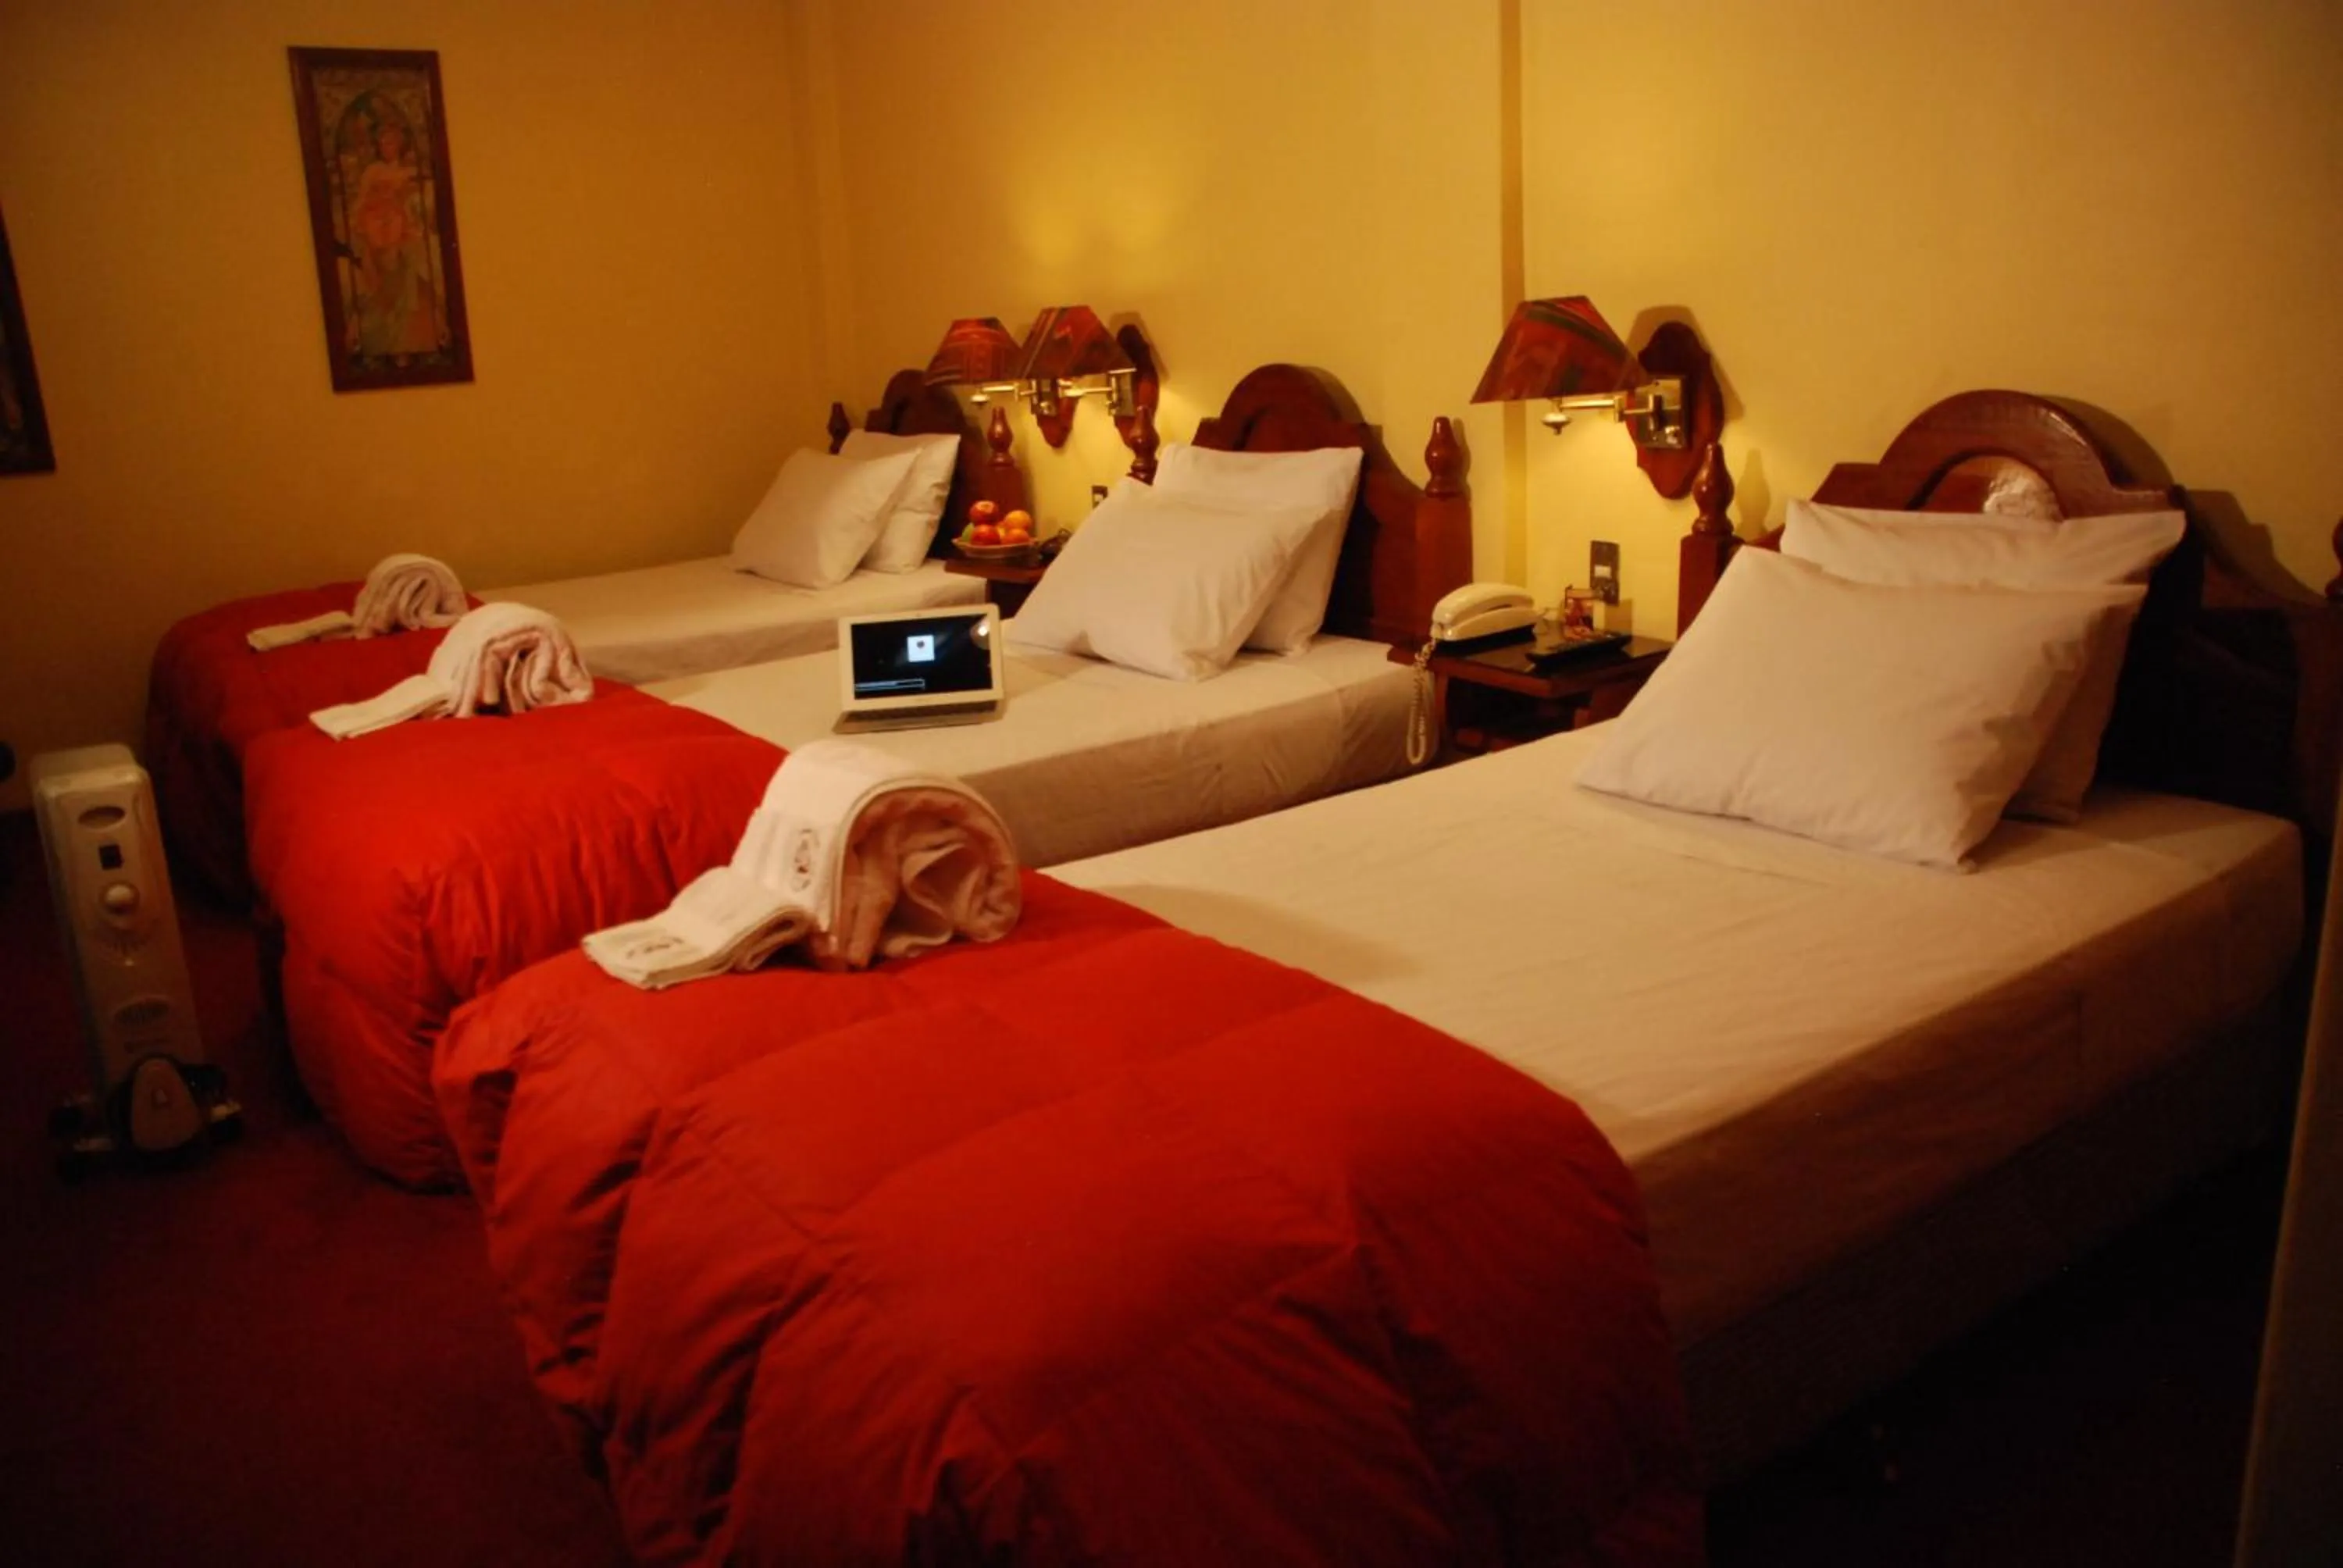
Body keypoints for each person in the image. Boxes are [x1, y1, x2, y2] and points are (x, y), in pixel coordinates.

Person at [341, 98, 444, 359]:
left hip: (398, 222)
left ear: (400, 144)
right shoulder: (373, 171)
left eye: (392, 142)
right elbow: (361, 200)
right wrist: (357, 224)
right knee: (378, 261)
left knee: (409, 254)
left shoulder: (407, 171)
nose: (387, 147)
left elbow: (418, 193)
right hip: (374, 221)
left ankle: (407, 325)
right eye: (383, 143)